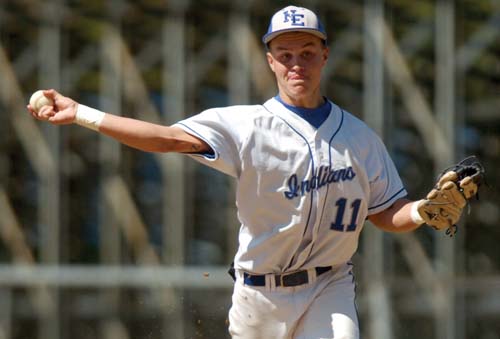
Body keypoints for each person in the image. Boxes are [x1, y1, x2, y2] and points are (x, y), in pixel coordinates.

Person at [27, 5, 460, 339]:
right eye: (285, 53)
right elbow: (164, 138)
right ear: (270, 59)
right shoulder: (245, 125)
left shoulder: (360, 139)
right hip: (259, 293)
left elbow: (387, 213)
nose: (297, 64)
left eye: (307, 52)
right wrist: (81, 113)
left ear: (325, 55)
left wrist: (423, 210)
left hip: (330, 284)